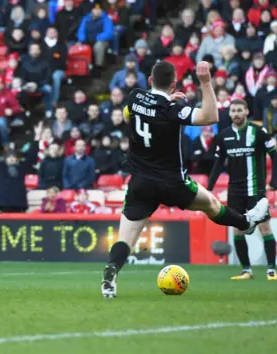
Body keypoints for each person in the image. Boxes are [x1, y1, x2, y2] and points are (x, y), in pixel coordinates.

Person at [101, 61, 270, 299]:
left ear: (150, 81)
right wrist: (205, 82)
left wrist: (162, 102)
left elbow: (129, 117)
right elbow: (210, 116)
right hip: (172, 182)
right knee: (211, 205)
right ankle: (246, 222)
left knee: (125, 238)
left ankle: (111, 272)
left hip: (140, 182)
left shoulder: (135, 96)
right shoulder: (173, 110)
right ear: (174, 84)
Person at [207, 99, 277, 280]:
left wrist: (274, 181)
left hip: (255, 190)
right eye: (233, 111)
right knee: (237, 231)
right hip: (235, 192)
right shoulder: (224, 135)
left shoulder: (259, 132)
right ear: (229, 114)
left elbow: (274, 155)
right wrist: (209, 188)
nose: (236, 114)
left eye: (240, 110)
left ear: (247, 111)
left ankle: (271, 269)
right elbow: (218, 163)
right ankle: (246, 270)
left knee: (264, 228)